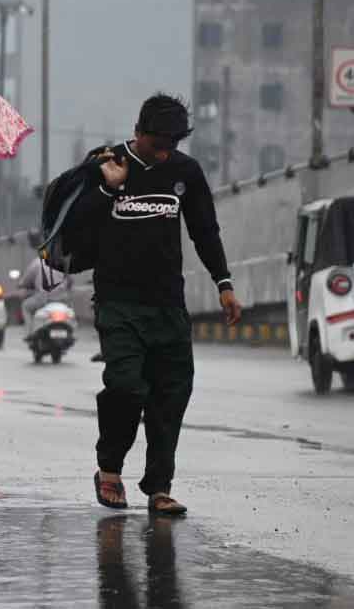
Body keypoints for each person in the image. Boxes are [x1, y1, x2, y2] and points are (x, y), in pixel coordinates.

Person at [83, 93, 242, 516]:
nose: (165, 150)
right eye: (158, 142)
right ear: (138, 132)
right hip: (118, 302)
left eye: (172, 142)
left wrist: (223, 283)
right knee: (126, 385)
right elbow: (76, 221)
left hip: (168, 303)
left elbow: (205, 230)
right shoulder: (106, 163)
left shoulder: (185, 171)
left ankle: (159, 486)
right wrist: (106, 188)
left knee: (171, 393)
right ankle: (110, 469)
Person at [15, 231, 72, 331]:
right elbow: (69, 281)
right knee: (70, 308)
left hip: (44, 299)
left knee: (25, 307)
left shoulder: (36, 263)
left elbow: (25, 282)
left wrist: (21, 284)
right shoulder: (60, 263)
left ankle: (29, 333)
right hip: (62, 298)